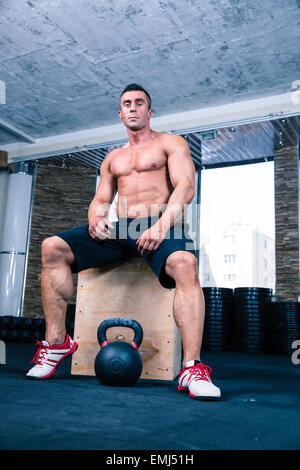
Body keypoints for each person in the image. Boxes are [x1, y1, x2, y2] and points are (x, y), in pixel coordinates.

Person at [26, 83, 221, 400]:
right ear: (120, 113)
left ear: (149, 111)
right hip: (121, 229)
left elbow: (185, 188)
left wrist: (160, 226)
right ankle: (57, 342)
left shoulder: (171, 143)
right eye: (127, 103)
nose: (133, 107)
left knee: (186, 263)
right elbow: (100, 199)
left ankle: (192, 367)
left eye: (139, 102)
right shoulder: (112, 158)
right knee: (52, 247)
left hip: (161, 223)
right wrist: (96, 218)